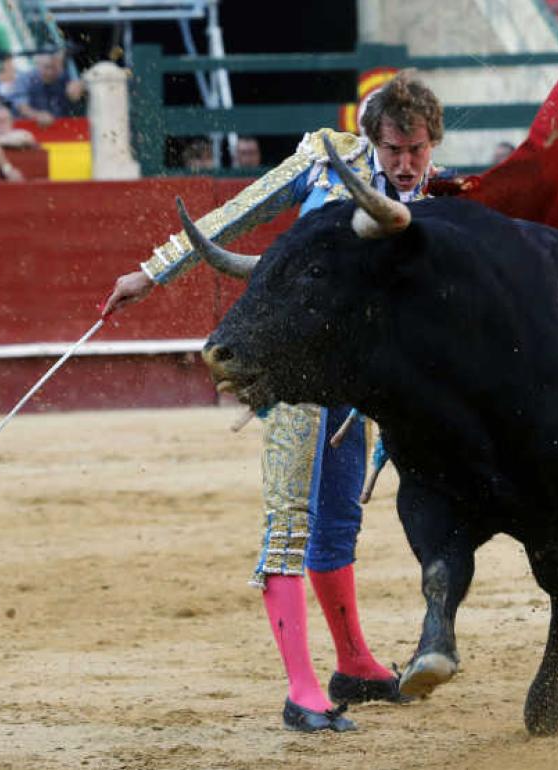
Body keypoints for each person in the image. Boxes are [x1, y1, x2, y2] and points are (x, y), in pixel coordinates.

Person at [101, 71, 444, 733]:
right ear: (372, 139)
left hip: (359, 380)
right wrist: (151, 272)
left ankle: (354, 662)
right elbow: (236, 215)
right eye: (394, 150)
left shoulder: (439, 198)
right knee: (288, 523)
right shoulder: (324, 157)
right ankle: (301, 690)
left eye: (417, 150)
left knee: (339, 519)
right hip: (293, 365)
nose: (405, 163)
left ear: (433, 145)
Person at [13, 52, 85, 126]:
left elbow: (81, 94)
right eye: (46, 67)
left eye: (55, 68)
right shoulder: (25, 79)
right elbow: (21, 106)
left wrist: (81, 88)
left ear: (60, 67)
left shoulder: (67, 78)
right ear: (38, 65)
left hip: (63, 127)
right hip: (31, 127)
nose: (50, 72)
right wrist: (37, 115)